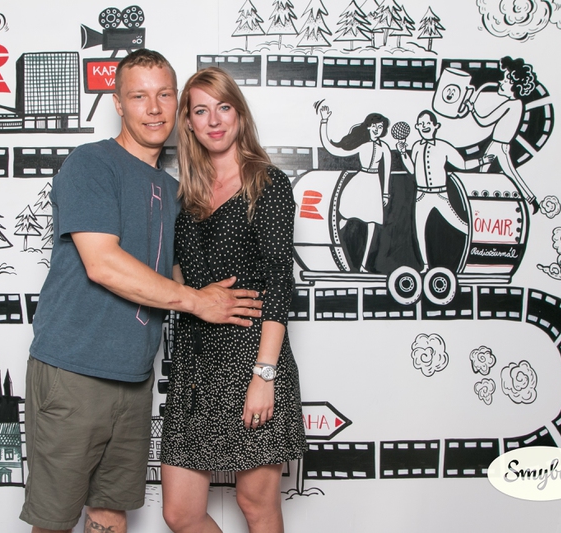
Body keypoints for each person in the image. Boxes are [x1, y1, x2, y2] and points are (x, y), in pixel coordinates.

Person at [20, 50, 263, 533]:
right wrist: (197, 301)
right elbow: (102, 264)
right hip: (74, 371)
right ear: (118, 103)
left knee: (110, 513)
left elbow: (170, 274)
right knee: (54, 521)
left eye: (164, 95)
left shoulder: (171, 189)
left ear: (177, 105)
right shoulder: (92, 163)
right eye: (138, 96)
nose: (153, 109)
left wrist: (220, 299)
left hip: (133, 379)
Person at [161, 67, 306, 533]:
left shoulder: (268, 184)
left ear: (239, 114)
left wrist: (264, 375)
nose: (214, 120)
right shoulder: (186, 195)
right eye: (201, 111)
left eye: (223, 107)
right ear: (188, 123)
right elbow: (182, 277)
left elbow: (279, 283)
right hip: (194, 363)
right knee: (180, 512)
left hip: (251, 358)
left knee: (256, 505)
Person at [398, 110, 494, 272]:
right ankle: (426, 266)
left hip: (440, 194)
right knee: (420, 230)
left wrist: (482, 160)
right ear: (417, 127)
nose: (424, 126)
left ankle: (482, 246)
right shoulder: (416, 146)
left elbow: (463, 165)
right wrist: (402, 153)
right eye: (421, 124)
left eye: (428, 123)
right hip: (421, 196)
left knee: (460, 224)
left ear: (436, 126)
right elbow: (413, 170)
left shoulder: (443, 146)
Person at [318, 107, 392, 272]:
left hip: (374, 186)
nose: (377, 129)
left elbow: (386, 172)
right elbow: (333, 149)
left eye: (380, 127)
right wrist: (324, 121)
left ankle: (364, 265)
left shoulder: (385, 148)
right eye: (374, 126)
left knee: (372, 224)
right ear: (368, 127)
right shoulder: (362, 145)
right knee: (343, 217)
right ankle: (328, 250)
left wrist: (385, 193)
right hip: (359, 183)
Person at [467, 56, 539, 213]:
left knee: (492, 174)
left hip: (499, 145)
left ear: (514, 85)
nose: (501, 82)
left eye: (506, 80)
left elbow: (484, 121)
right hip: (498, 145)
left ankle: (481, 204)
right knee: (493, 173)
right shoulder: (517, 104)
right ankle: (530, 200)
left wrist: (472, 109)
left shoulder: (511, 104)